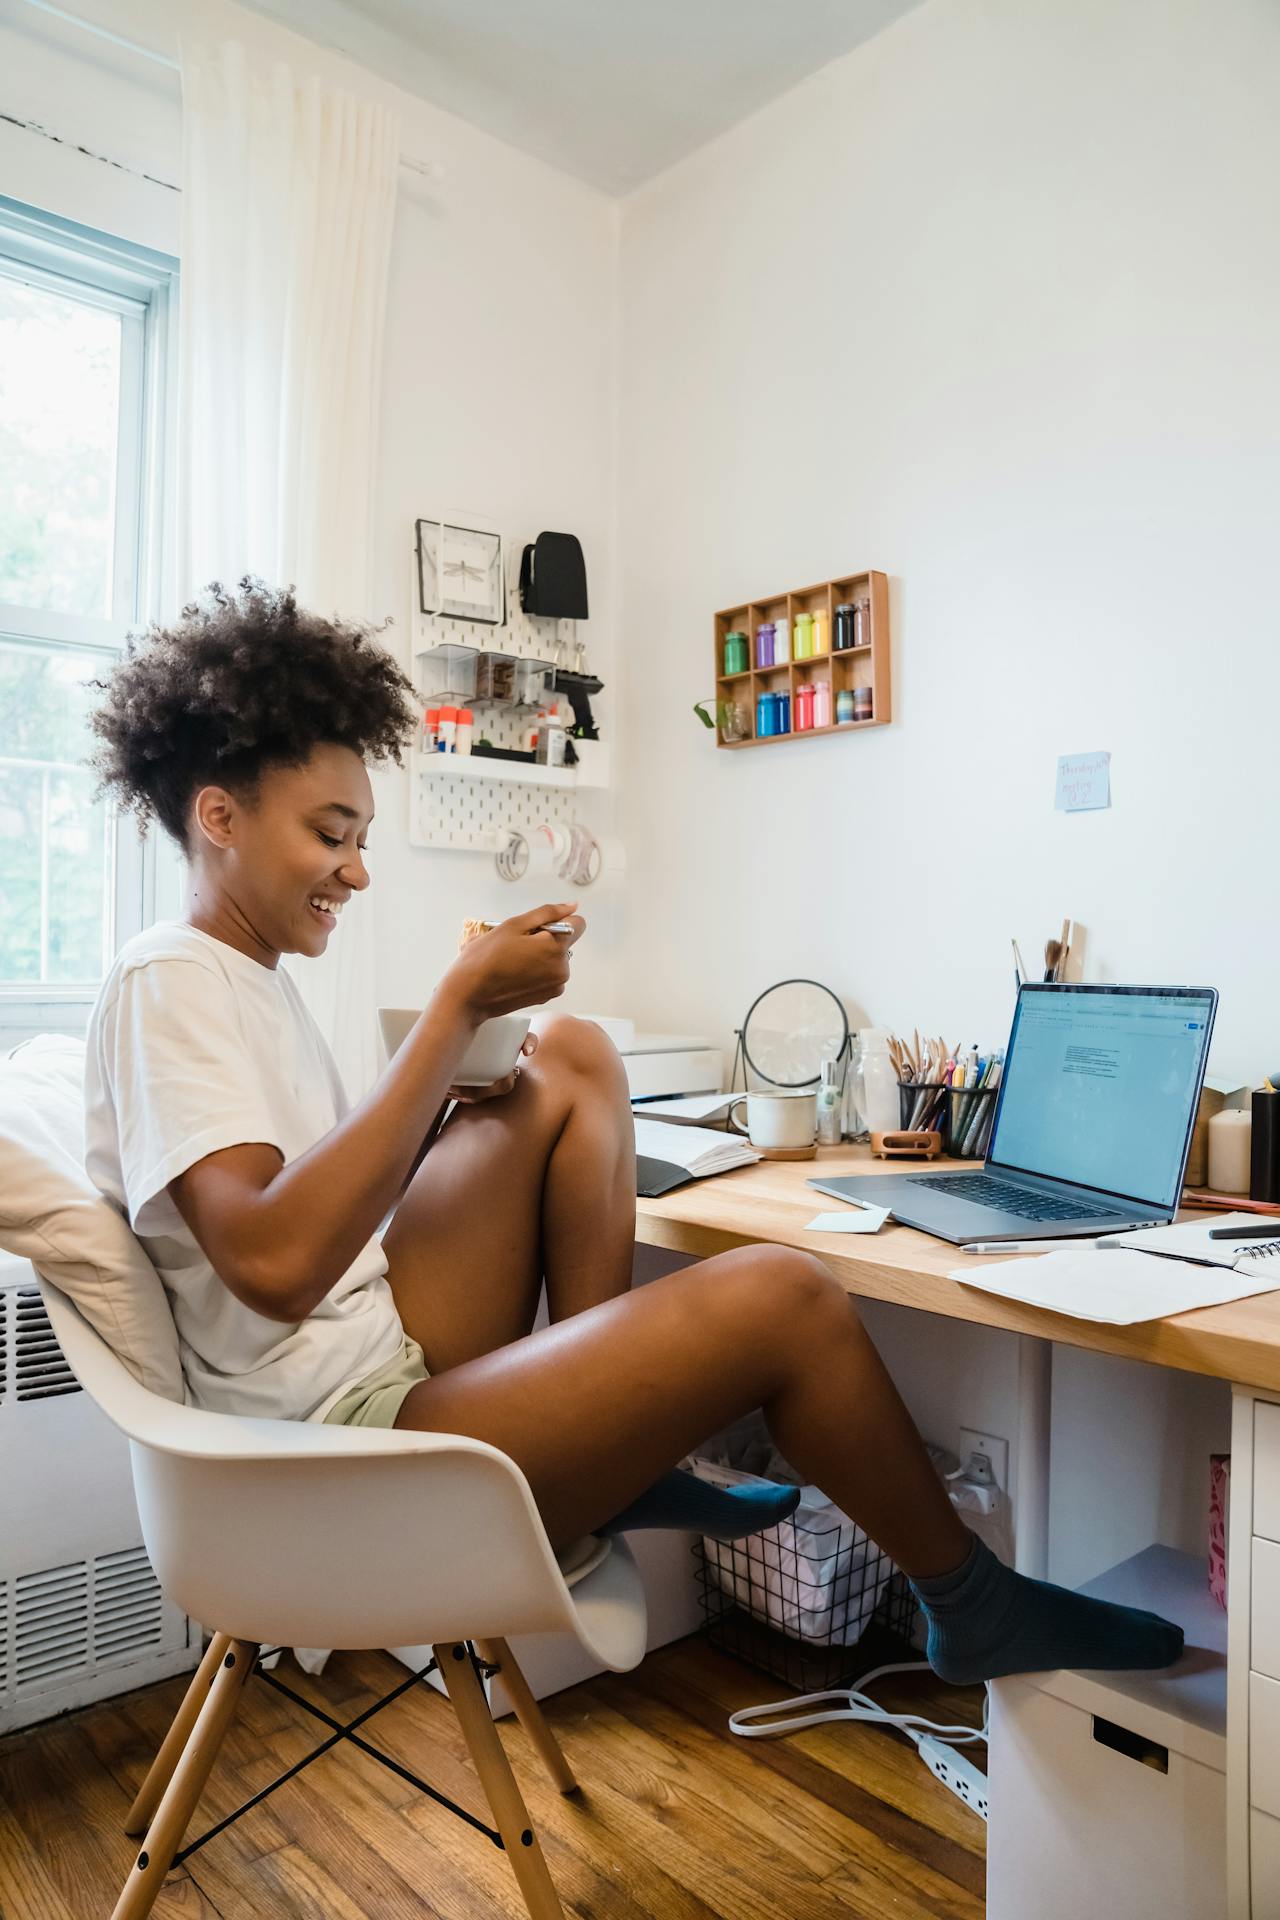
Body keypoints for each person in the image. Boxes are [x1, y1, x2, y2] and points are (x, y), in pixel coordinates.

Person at [84, 578, 1183, 1686]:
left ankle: (615, 1461)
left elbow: (321, 1211)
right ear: (217, 817)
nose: (357, 870)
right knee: (785, 1294)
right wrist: (454, 1010)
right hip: (336, 1449)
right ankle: (970, 1602)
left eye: (361, 837)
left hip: (374, 1357)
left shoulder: (248, 979)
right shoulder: (166, 982)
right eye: (331, 835)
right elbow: (274, 1264)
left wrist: (452, 1095)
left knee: (569, 1055)